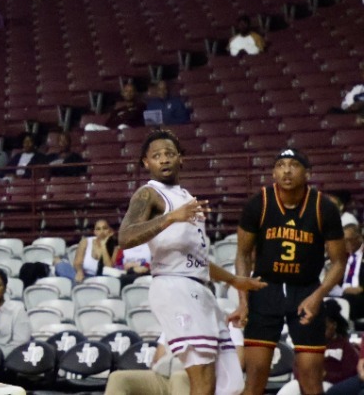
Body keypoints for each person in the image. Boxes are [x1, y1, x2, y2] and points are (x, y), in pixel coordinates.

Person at [117, 129, 264, 395]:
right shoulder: (148, 194)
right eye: (157, 156)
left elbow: (195, 260)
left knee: (228, 383)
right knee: (203, 379)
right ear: (145, 163)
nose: (164, 160)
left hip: (198, 289)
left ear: (181, 159)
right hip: (174, 288)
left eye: (169, 154)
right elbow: (125, 237)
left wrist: (233, 279)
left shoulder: (186, 197)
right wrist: (171, 217)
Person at [232, 149, 348, 395]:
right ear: (273, 172)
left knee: (311, 380)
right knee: (255, 379)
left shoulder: (323, 207)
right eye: (281, 165)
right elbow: (242, 255)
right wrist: (243, 300)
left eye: (294, 165)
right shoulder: (258, 203)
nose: (286, 170)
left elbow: (339, 261)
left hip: (305, 291)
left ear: (307, 173)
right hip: (265, 290)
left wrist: (318, 295)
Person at [328, 222, 362, 321]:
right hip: (343, 293)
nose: (345, 244)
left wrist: (360, 289)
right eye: (343, 241)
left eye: (348, 240)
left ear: (359, 238)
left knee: (348, 299)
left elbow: (357, 289)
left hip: (358, 297)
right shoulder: (343, 258)